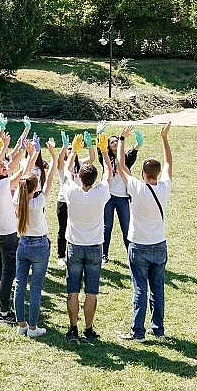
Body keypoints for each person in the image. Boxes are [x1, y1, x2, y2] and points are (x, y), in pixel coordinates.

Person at [117, 122, 172, 341]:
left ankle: (137, 331)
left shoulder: (136, 187)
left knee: (139, 288)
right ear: (157, 174)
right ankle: (157, 328)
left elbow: (120, 166)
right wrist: (164, 138)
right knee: (158, 289)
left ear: (142, 173)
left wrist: (122, 140)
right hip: (159, 243)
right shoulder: (164, 187)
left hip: (138, 244)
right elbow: (169, 163)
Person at [61, 134, 112, 341]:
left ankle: (73, 328)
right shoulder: (100, 193)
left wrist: (73, 151)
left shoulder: (72, 191)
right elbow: (109, 173)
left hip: (74, 245)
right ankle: (88, 329)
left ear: (79, 177)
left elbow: (66, 171)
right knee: (92, 292)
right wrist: (104, 151)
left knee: (72, 290)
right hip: (94, 246)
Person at [0, 129, 30, 323]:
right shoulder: (1, 186)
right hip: (7, 238)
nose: (4, 167)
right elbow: (21, 174)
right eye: (1, 166)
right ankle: (3, 312)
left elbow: (3, 165)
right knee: (7, 275)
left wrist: (6, 147)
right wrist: (30, 155)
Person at [14, 139, 59, 338]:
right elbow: (50, 177)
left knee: (20, 285)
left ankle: (21, 324)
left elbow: (24, 178)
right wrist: (54, 154)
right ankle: (33, 327)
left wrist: (32, 155)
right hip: (39, 245)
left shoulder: (17, 200)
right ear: (34, 188)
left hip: (23, 244)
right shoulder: (39, 200)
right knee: (36, 288)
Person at [101, 129, 139, 263]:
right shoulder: (106, 158)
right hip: (109, 197)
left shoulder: (125, 158)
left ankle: (130, 255)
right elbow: (101, 150)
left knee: (126, 226)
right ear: (109, 146)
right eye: (112, 142)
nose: (115, 143)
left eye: (116, 141)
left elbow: (134, 151)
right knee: (107, 226)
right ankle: (104, 254)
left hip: (123, 198)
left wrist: (138, 143)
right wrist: (100, 134)